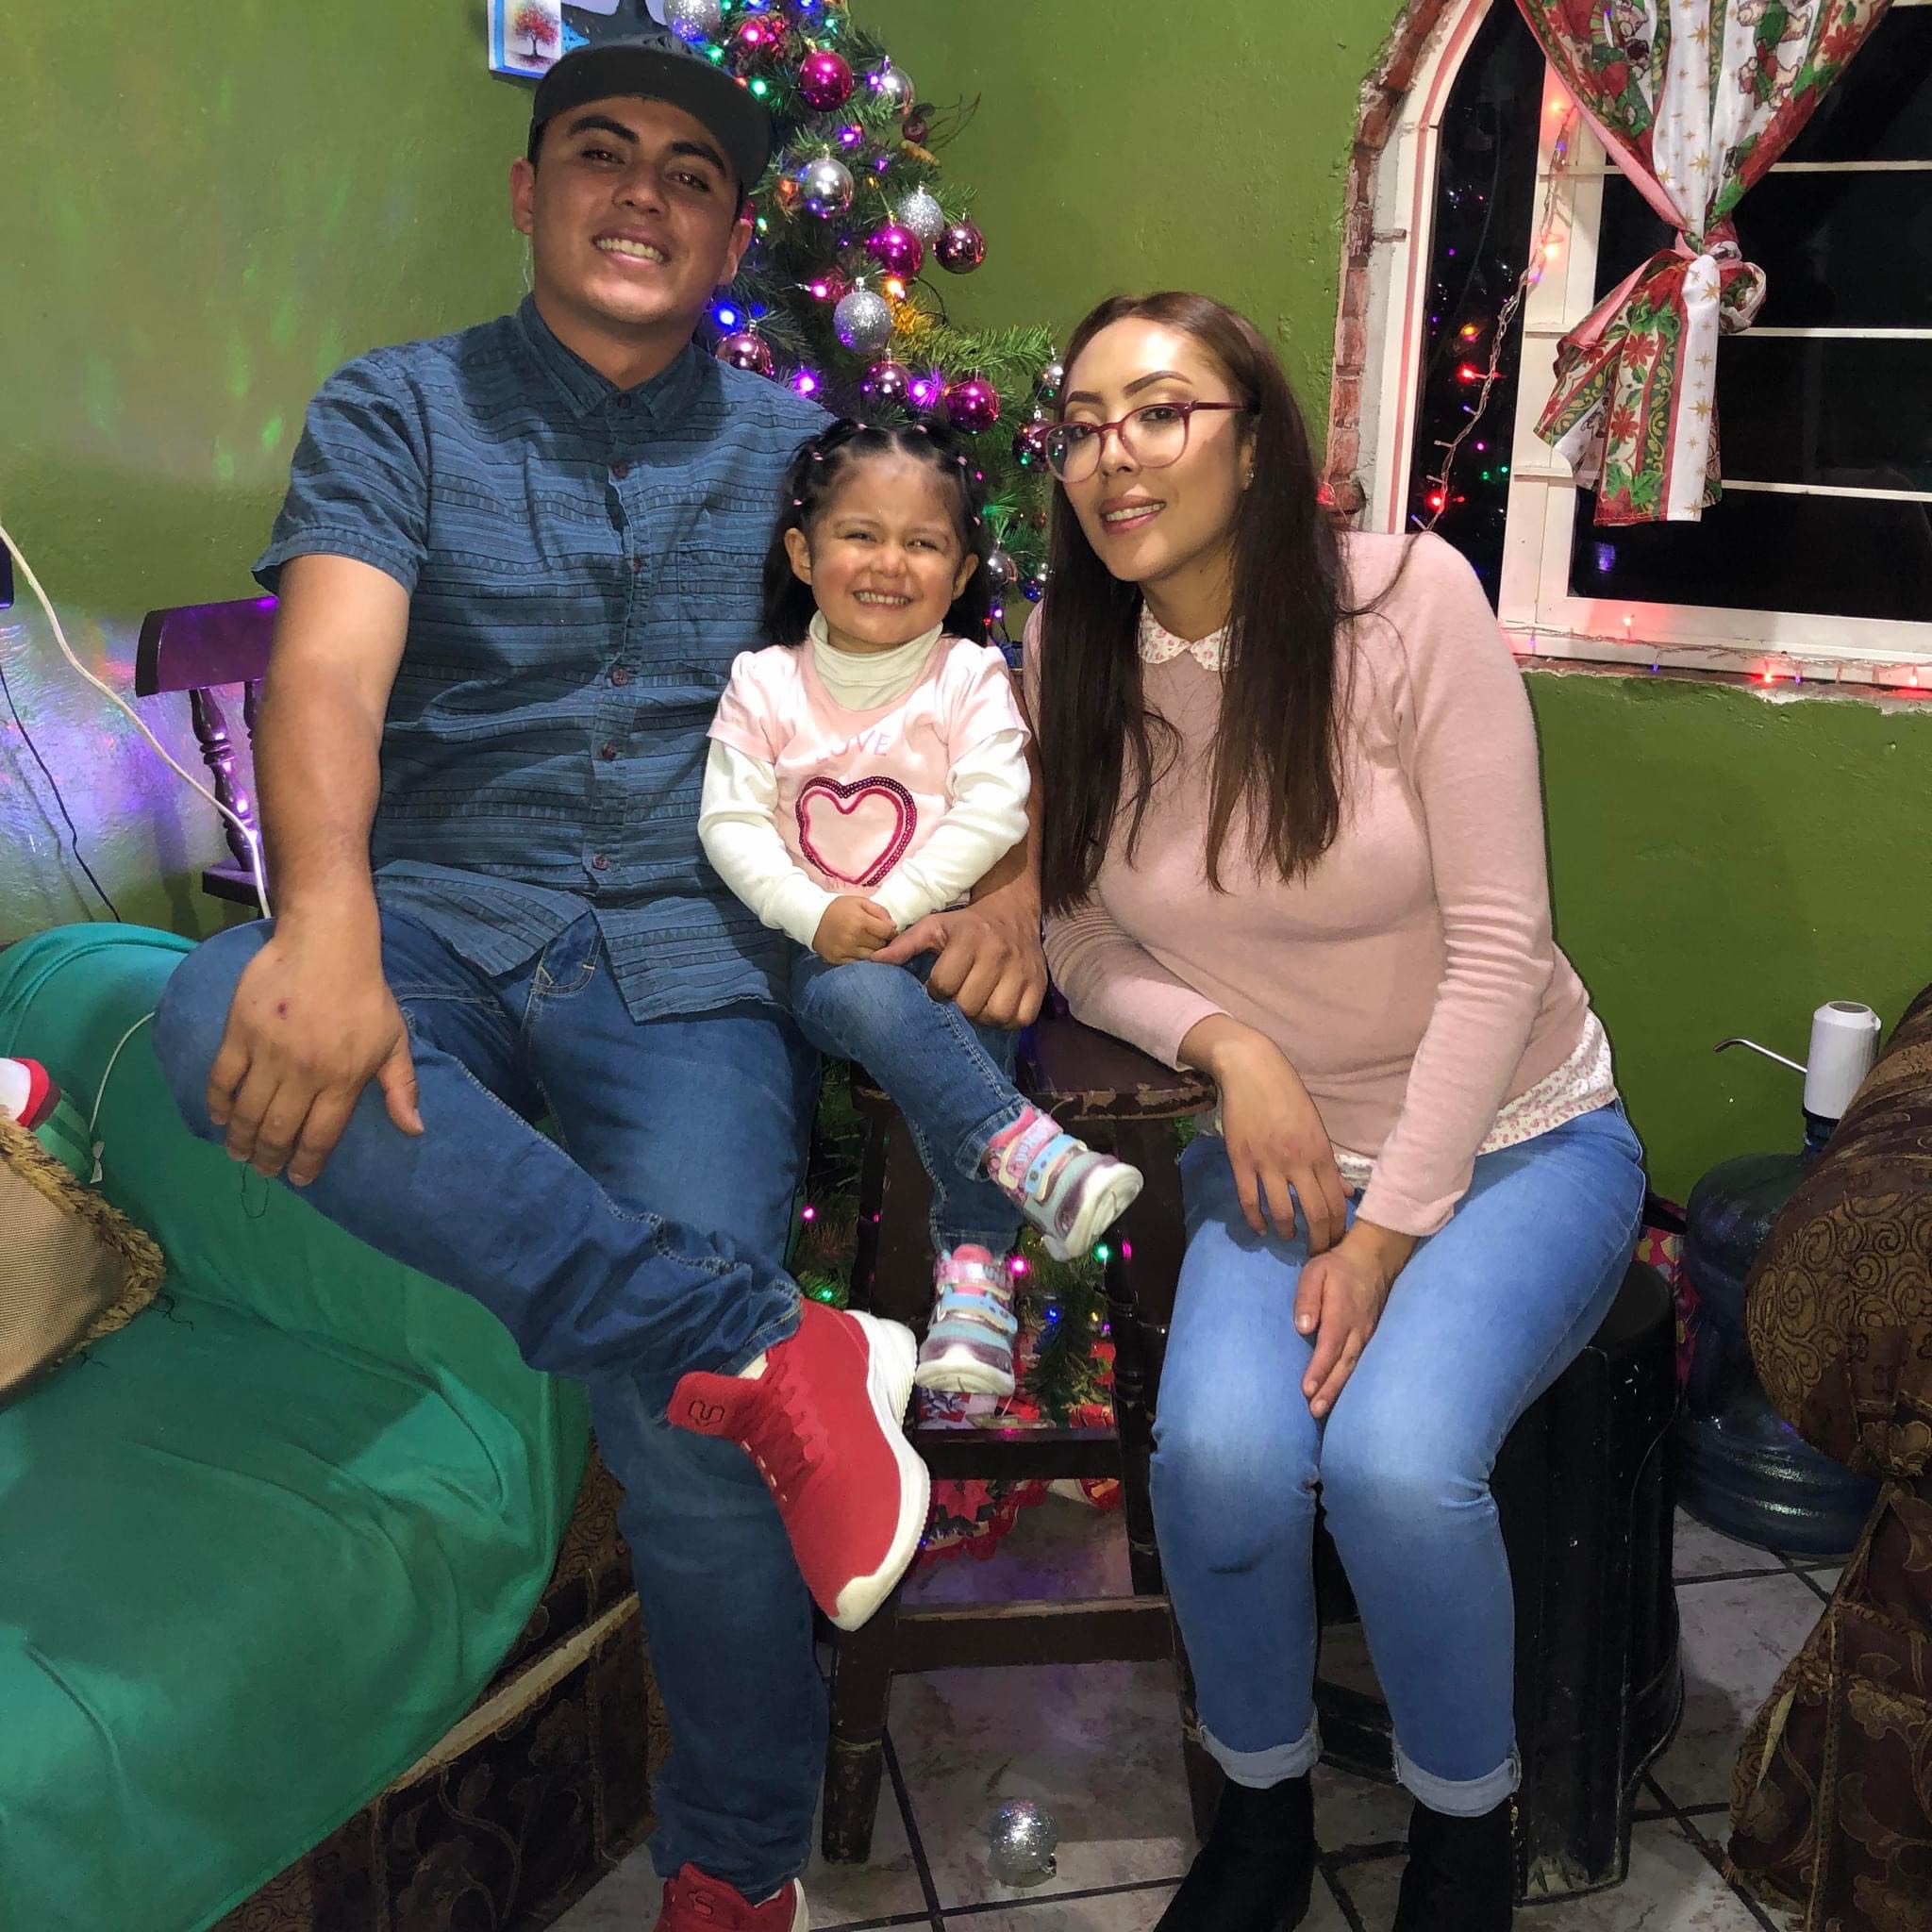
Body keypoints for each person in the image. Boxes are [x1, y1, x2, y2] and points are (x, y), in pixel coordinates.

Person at [150, 31, 1042, 1932]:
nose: (644, 193)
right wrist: (324, 920)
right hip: (438, 914)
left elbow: (962, 692)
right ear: (530, 188)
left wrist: (1022, 883)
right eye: (601, 152)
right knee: (204, 1006)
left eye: (691, 174)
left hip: (688, 958)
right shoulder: (398, 408)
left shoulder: (802, 461)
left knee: (679, 1430)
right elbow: (327, 672)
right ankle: (766, 1331)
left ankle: (731, 1865)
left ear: (729, 231)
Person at [1023, 291, 1645, 1932]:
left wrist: (1383, 1237)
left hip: (1516, 1138)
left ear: (1255, 442)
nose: (1113, 455)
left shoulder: (1406, 600)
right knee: (1221, 1461)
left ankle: (1463, 1826)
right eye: (1080, 426)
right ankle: (1259, 1810)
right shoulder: (1069, 648)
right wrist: (1230, 1045)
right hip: (1279, 1152)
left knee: (1393, 1466)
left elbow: (1500, 942)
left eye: (1160, 411)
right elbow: (1075, 936)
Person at [699, 417, 1141, 1398]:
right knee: (859, 993)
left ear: (962, 568)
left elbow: (995, 806)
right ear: (802, 552)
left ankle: (973, 1288)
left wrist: (899, 902)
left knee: (972, 1007)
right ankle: (1024, 1149)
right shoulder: (765, 681)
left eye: (923, 542)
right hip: (824, 953)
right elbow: (728, 822)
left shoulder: (966, 674)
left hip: (941, 935)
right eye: (860, 534)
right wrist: (814, 916)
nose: (889, 563)